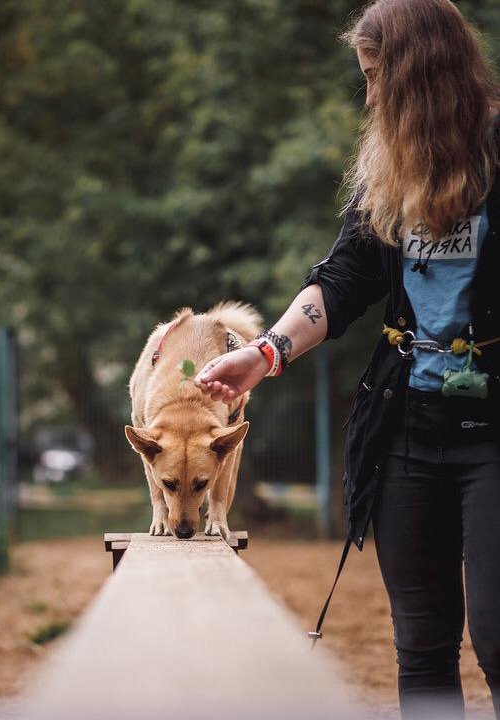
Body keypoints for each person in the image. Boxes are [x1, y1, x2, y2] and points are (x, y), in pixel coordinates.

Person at [194, 1, 500, 719]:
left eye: (373, 77)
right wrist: (264, 353)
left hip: (492, 436)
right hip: (403, 431)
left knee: (495, 638)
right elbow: (343, 279)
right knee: (420, 643)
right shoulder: (388, 168)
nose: (367, 96)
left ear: (416, 73)